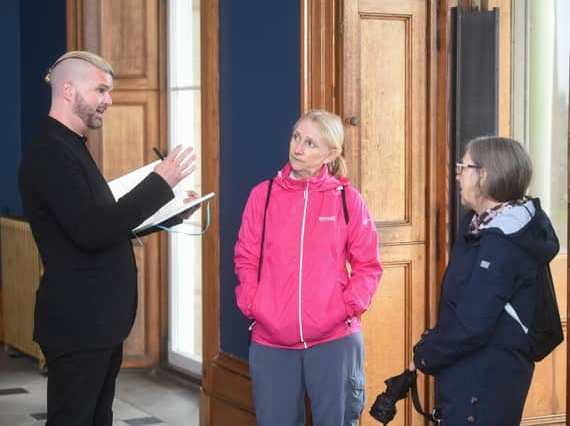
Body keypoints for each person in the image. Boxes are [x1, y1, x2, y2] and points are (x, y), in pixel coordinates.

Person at [18, 51, 199, 426]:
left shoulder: (70, 145)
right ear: (68, 89)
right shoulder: (51, 152)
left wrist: (171, 212)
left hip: (97, 322)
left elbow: (102, 224)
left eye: (109, 91)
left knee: (97, 418)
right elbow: (92, 230)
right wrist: (159, 182)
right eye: (100, 89)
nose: (109, 100)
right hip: (78, 323)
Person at [234, 109, 383, 425]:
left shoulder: (348, 201)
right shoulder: (263, 196)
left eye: (310, 144)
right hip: (271, 341)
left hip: (334, 341)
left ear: (331, 154)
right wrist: (253, 303)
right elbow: (246, 258)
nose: (298, 148)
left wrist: (346, 307)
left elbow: (368, 265)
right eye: (296, 137)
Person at [410, 136, 559, 425]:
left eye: (462, 167)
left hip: (488, 379)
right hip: (469, 370)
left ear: (484, 175)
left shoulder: (503, 240)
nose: (457, 176)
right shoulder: (477, 225)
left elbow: (473, 324)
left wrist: (426, 355)